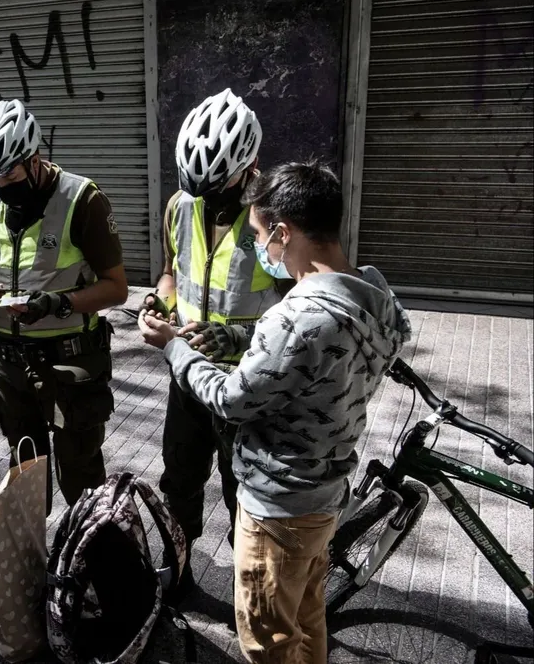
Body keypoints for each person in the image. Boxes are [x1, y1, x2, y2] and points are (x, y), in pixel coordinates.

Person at [139, 160, 412, 664]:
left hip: (278, 504)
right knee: (307, 617)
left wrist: (174, 349)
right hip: (326, 491)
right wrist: (240, 336)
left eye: (262, 235)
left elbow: (232, 401)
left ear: (284, 233)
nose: (263, 249)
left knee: (266, 638)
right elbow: (305, 358)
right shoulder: (375, 296)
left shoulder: (295, 317)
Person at [0, 99, 128, 511]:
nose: (1, 185)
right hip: (8, 367)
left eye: (9, 174)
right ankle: (34, 563)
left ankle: (94, 565)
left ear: (34, 159)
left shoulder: (82, 199)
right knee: (26, 471)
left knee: (81, 473)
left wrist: (58, 302)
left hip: (69, 366)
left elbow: (116, 288)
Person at [148, 88, 289, 555]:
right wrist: (158, 305)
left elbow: (303, 315)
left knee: (243, 492)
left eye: (215, 189)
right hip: (187, 376)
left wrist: (236, 336)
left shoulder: (274, 219)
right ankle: (179, 564)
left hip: (246, 385)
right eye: (196, 188)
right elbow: (171, 274)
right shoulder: (180, 205)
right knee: (180, 480)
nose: (204, 199)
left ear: (248, 167)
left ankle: (243, 590)